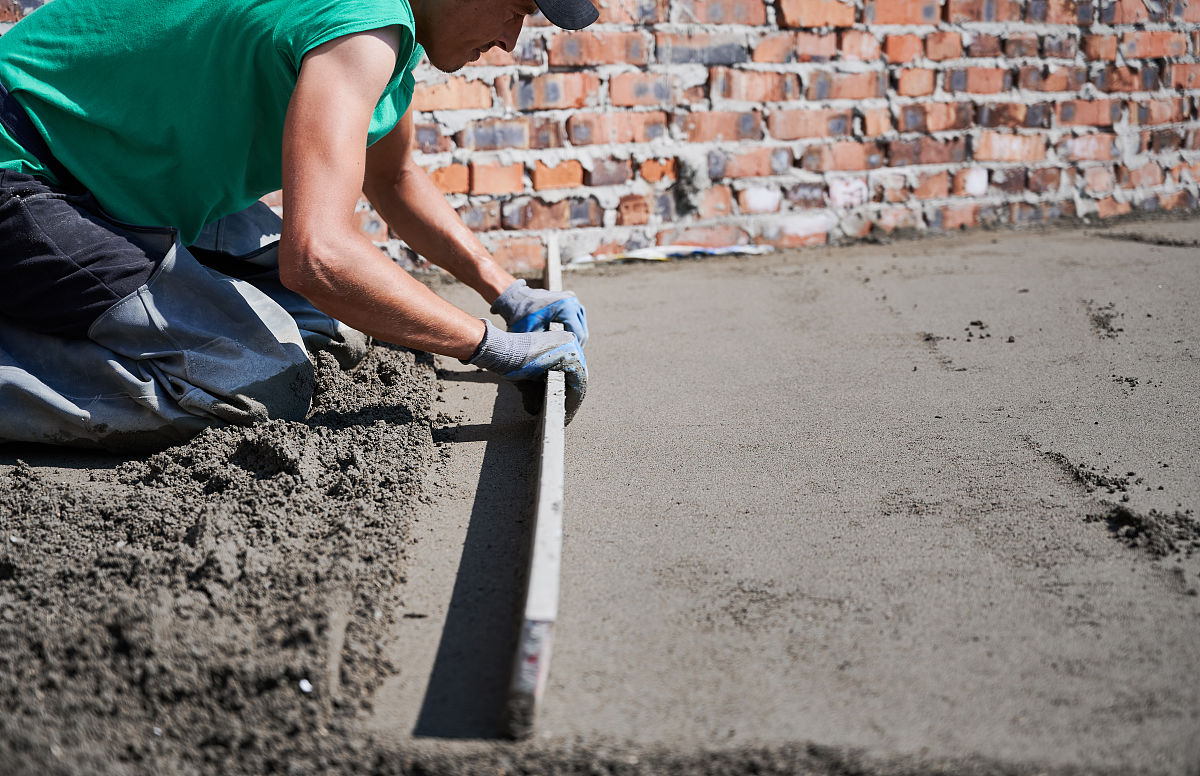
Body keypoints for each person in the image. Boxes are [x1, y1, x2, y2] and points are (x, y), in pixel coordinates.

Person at [0, 0, 595, 451]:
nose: (510, 41)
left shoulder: (384, 29)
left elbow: (395, 179)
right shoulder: (363, 29)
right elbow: (318, 257)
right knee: (257, 379)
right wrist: (490, 345)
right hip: (22, 163)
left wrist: (509, 294)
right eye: (515, 9)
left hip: (101, 163)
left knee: (325, 319)